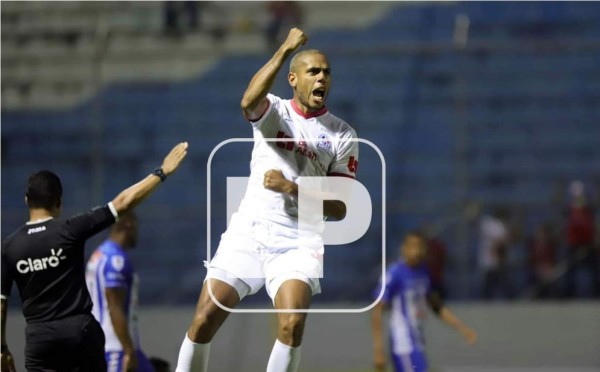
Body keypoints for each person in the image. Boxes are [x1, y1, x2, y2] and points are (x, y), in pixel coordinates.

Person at [175, 28, 358, 372]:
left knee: (292, 326)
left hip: (299, 240)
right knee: (204, 319)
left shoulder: (342, 134)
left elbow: (341, 207)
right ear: (293, 78)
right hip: (250, 230)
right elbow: (247, 102)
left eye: (327, 71)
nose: (322, 77)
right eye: (313, 71)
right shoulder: (273, 110)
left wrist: (294, 190)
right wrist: (285, 48)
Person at [1, 142, 188, 371]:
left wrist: (2, 349)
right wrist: (161, 172)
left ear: (27, 200)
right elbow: (122, 203)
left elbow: (1, 304)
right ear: (59, 202)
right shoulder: (69, 230)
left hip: (40, 339)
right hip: (80, 331)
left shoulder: (9, 247)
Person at [372, 232, 477, 372]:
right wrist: (379, 350)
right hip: (403, 343)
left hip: (418, 342)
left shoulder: (424, 272)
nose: (416, 251)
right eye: (412, 246)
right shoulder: (394, 273)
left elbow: (436, 306)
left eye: (420, 247)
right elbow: (377, 309)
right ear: (404, 248)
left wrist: (462, 328)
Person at [86, 212, 154, 372]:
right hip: (116, 347)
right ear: (128, 224)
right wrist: (128, 351)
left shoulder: (99, 254)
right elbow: (114, 308)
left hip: (113, 344)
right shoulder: (116, 260)